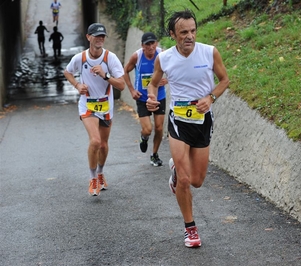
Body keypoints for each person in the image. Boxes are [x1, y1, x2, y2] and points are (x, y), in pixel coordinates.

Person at [146, 9, 230, 248]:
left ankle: (176, 171)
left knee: (196, 180)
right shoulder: (165, 58)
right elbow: (153, 84)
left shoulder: (209, 52)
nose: (189, 36)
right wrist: (151, 98)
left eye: (192, 31)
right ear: (173, 34)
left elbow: (225, 80)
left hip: (203, 121)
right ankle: (190, 229)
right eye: (183, 32)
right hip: (178, 120)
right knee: (184, 180)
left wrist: (211, 98)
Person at [63, 23, 125, 196]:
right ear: (88, 37)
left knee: (104, 146)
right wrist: (77, 85)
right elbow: (67, 72)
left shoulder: (110, 58)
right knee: (96, 141)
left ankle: (100, 173)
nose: (100, 39)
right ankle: (92, 178)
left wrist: (105, 75)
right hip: (87, 104)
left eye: (103, 36)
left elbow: (122, 85)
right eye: (97, 36)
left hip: (106, 105)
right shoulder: (80, 58)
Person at [123, 32, 168, 167]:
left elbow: (175, 68)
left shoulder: (162, 54)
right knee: (148, 129)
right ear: (142, 45)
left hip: (159, 96)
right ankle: (144, 138)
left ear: (157, 43)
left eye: (152, 43)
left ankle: (154, 154)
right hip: (142, 97)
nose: (150, 47)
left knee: (159, 128)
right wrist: (131, 90)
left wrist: (167, 79)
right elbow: (125, 71)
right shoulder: (137, 56)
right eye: (147, 44)